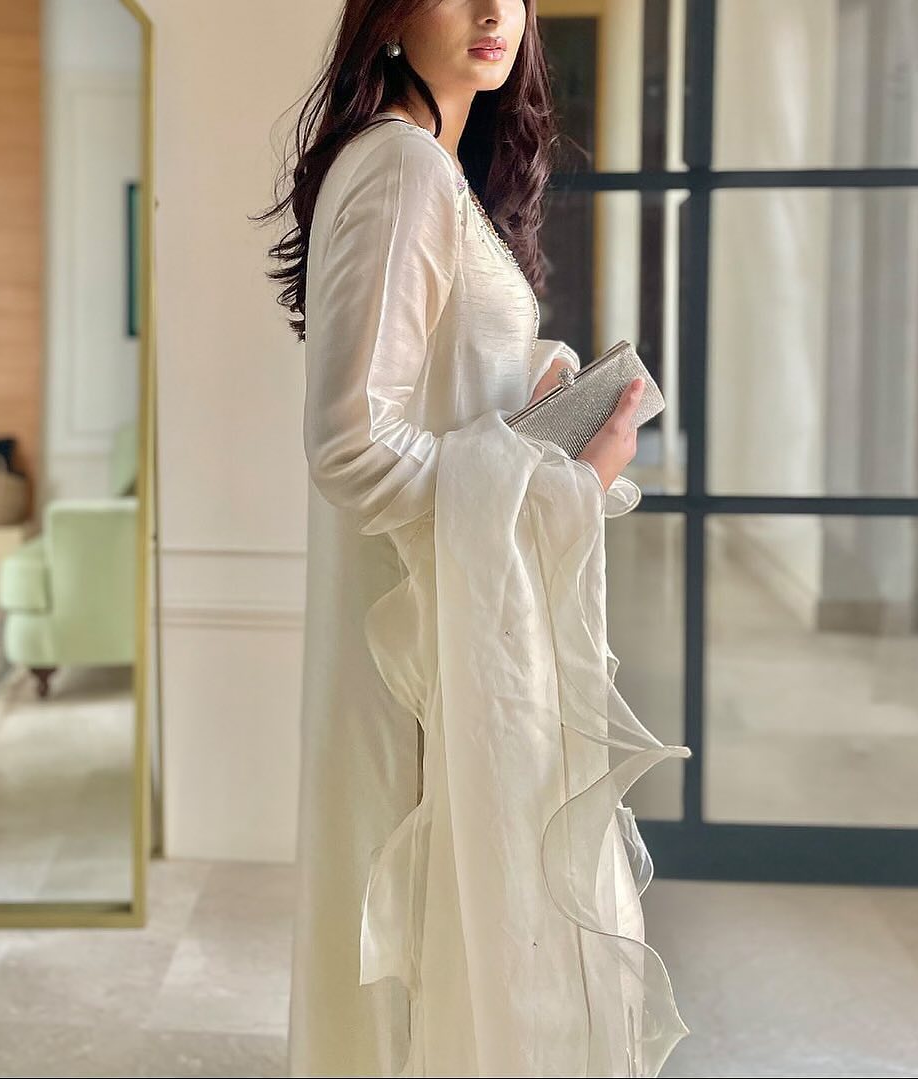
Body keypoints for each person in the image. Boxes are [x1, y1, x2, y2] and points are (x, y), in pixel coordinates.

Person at [253, 2, 691, 1075]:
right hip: (416, 647)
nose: (496, 12)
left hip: (443, 627)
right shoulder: (402, 167)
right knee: (431, 953)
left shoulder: (431, 167)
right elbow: (353, 448)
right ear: (390, 14)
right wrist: (564, 480)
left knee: (454, 950)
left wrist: (531, 389)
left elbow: (426, 398)